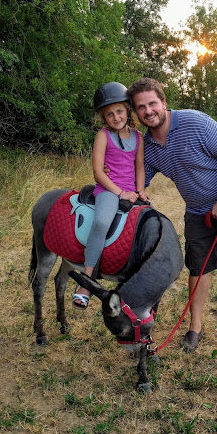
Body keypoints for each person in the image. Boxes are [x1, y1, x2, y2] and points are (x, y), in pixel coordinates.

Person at [126, 77, 217, 353]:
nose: (148, 111)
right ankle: (195, 327)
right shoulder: (147, 146)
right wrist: (118, 186)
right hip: (196, 210)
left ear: (163, 102)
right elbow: (139, 181)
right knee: (198, 267)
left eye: (152, 103)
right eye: (141, 107)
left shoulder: (196, 123)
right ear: (136, 112)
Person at [72, 82, 148, 309]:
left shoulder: (138, 137)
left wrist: (140, 189)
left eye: (120, 111)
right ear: (103, 118)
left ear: (128, 110)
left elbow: (140, 166)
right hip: (108, 189)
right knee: (102, 222)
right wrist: (119, 191)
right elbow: (97, 172)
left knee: (149, 225)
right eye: (110, 114)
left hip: (131, 190)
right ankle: (86, 281)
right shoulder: (102, 136)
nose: (116, 117)